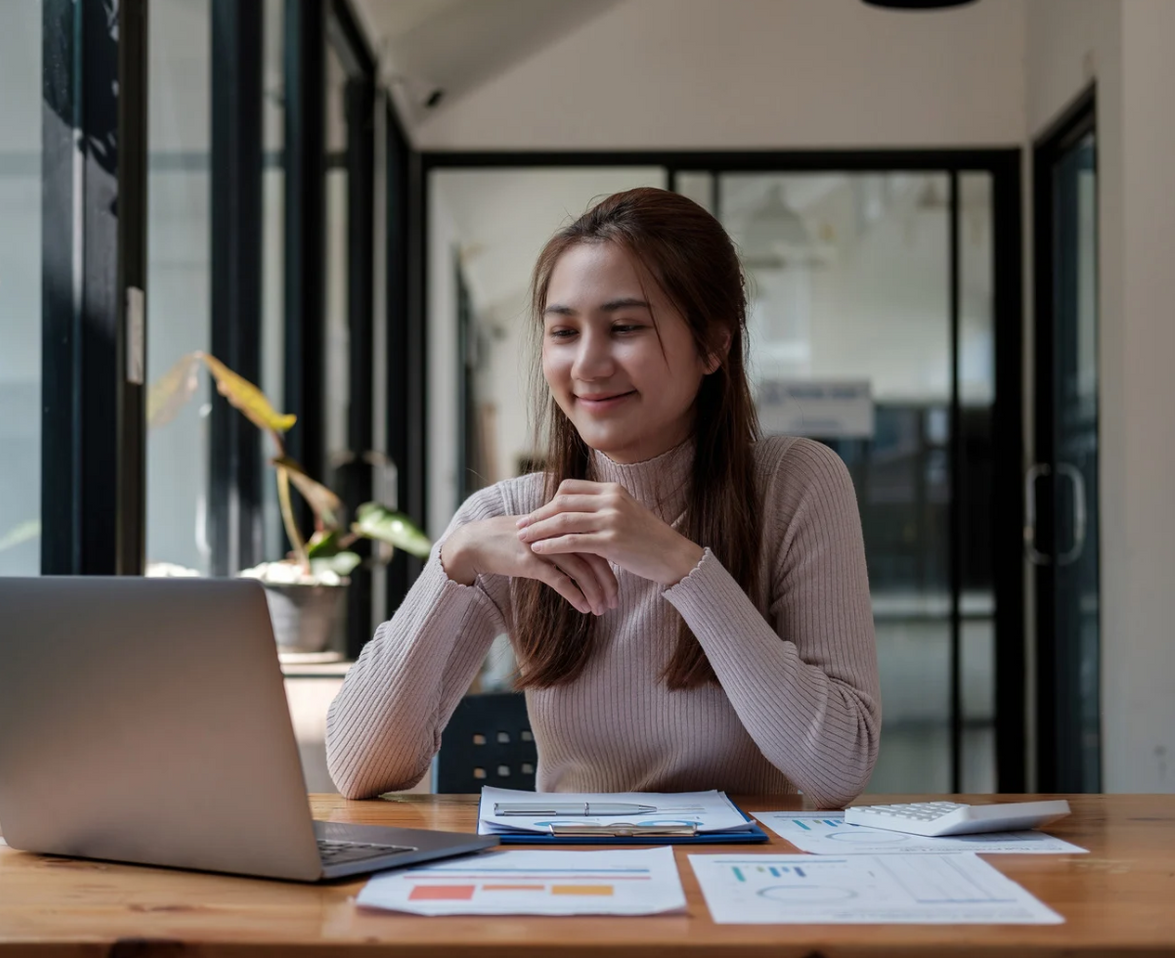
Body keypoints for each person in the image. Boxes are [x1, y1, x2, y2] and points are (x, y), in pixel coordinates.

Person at [326, 187, 879, 808]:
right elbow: (357, 768)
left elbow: (839, 767)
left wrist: (682, 566)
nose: (587, 364)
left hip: (744, 882)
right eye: (563, 331)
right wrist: (453, 562)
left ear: (713, 344)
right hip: (573, 883)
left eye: (624, 328)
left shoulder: (796, 483)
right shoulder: (506, 519)